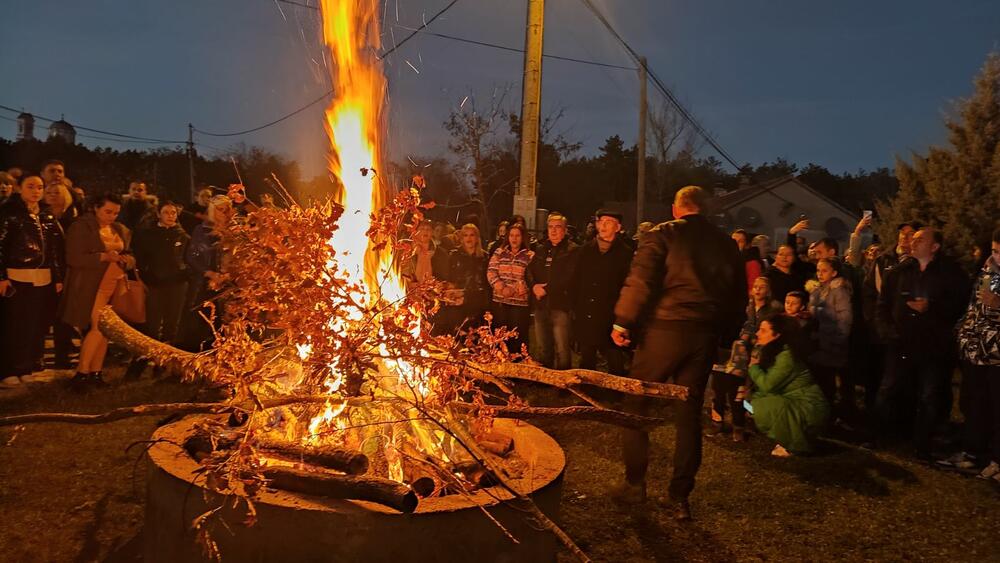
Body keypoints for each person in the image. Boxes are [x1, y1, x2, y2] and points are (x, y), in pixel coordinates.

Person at [610, 186, 746, 520]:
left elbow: (640, 280)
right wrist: (725, 336)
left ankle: (635, 483)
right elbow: (737, 296)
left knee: (635, 403)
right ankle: (678, 496)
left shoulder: (663, 235)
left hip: (664, 331)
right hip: (702, 336)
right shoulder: (726, 244)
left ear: (676, 208)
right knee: (688, 415)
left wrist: (623, 322)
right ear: (704, 209)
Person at [876, 228, 969, 459]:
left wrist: (933, 307)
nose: (913, 242)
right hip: (900, 343)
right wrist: (888, 331)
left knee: (928, 395)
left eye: (920, 239)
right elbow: (882, 305)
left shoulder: (951, 274)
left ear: (935, 247)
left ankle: (923, 442)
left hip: (932, 345)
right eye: (912, 239)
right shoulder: (898, 272)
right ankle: (881, 435)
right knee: (890, 389)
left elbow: (960, 306)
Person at [59, 192, 134, 388]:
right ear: (95, 208)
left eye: (116, 213)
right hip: (92, 285)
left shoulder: (119, 229)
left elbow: (130, 255)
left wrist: (126, 261)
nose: (112, 216)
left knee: (104, 330)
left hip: (114, 285)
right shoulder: (81, 227)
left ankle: (96, 372)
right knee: (97, 327)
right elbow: (73, 258)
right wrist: (103, 257)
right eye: (108, 211)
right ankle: (82, 373)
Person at [945, 228, 1000, 479]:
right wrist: (963, 331)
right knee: (975, 404)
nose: (996, 256)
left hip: (997, 354)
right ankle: (974, 452)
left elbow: (992, 307)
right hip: (977, 351)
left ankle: (996, 460)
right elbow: (976, 307)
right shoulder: (988, 272)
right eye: (995, 251)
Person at [0, 176, 65, 385]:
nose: (36, 191)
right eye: (31, 187)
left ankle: (25, 366)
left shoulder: (46, 216)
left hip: (43, 278)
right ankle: (7, 370)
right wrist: (2, 277)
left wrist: (57, 277)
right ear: (19, 188)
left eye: (40, 187)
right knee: (13, 325)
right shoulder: (10, 214)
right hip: (17, 276)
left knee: (35, 325)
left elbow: (55, 250)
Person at [711, 276, 782, 441]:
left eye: (762, 287)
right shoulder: (744, 306)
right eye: (755, 286)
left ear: (768, 291)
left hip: (757, 353)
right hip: (734, 352)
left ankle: (743, 422)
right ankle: (719, 421)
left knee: (746, 389)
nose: (757, 289)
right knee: (724, 387)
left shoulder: (773, 309)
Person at [748, 315, 830, 456]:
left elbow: (768, 384)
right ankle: (786, 434)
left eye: (763, 330)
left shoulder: (787, 356)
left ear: (777, 335)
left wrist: (753, 367)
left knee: (765, 406)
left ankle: (794, 444)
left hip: (808, 409)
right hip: (798, 403)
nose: (757, 334)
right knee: (753, 402)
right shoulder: (775, 351)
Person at [128, 201, 191, 377]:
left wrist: (184, 273)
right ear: (159, 214)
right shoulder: (148, 234)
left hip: (176, 284)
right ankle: (141, 363)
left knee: (172, 324)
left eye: (173, 212)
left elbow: (187, 258)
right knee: (152, 326)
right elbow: (140, 257)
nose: (170, 216)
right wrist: (144, 276)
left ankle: (164, 364)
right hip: (154, 283)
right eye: (166, 212)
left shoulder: (182, 236)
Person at [574, 209, 632, 375]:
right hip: (587, 313)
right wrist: (577, 307)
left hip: (611, 315)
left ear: (618, 227)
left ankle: (615, 393)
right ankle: (587, 390)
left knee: (614, 356)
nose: (603, 225)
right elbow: (576, 280)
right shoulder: (585, 250)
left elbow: (627, 284)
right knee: (587, 356)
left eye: (608, 222)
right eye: (601, 222)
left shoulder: (625, 253)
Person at [181, 195, 234, 352]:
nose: (222, 213)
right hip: (205, 283)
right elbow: (192, 256)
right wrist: (208, 272)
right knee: (203, 319)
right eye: (219, 209)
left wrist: (230, 273)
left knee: (228, 321)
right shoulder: (202, 230)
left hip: (230, 283)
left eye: (226, 210)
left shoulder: (235, 231)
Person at [527, 213, 578, 370]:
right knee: (543, 345)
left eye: (558, 227)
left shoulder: (572, 250)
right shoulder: (542, 249)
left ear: (565, 230)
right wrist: (533, 286)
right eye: (551, 227)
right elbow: (529, 271)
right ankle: (546, 377)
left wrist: (546, 290)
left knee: (562, 347)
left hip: (560, 305)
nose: (554, 231)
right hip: (541, 304)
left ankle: (564, 382)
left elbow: (569, 277)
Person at [808, 257, 854, 416]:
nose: (820, 274)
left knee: (829, 382)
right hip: (819, 342)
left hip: (832, 344)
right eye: (818, 270)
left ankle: (832, 414)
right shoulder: (817, 290)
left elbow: (845, 318)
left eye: (824, 270)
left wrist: (838, 340)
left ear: (834, 273)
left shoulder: (839, 291)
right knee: (820, 380)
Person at [486, 223, 533, 356]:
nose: (514, 238)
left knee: (517, 339)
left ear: (523, 237)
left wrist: (518, 287)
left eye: (517, 235)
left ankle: (518, 368)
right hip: (500, 301)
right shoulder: (499, 252)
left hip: (519, 304)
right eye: (511, 235)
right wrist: (501, 287)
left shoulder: (530, 255)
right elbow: (491, 271)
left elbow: (532, 276)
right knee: (500, 337)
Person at [440, 224, 490, 336]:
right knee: (457, 336)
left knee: (475, 338)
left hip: (477, 302)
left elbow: (486, 283)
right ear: (461, 238)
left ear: (477, 238)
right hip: (457, 302)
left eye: (472, 235)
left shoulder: (485, 257)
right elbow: (448, 278)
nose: (469, 238)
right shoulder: (454, 255)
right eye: (465, 235)